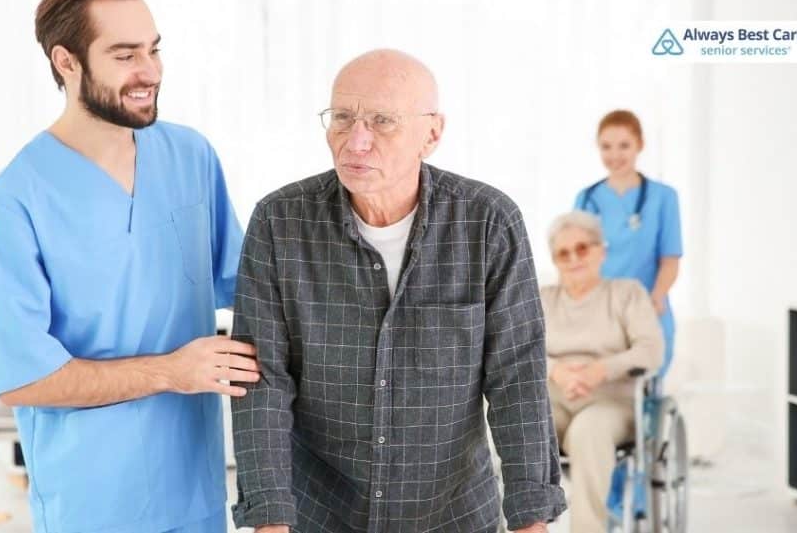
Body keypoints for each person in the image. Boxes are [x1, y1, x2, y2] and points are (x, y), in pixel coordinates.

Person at [231, 49, 566, 533]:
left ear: (431, 134)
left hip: (453, 514)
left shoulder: (489, 221)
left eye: (382, 121)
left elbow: (517, 378)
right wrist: (268, 519)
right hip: (319, 511)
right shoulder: (278, 221)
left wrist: (532, 518)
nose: (356, 141)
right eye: (342, 118)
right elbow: (264, 382)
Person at [0, 0, 257, 532]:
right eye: (125, 54)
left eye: (153, 50)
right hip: (94, 502)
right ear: (66, 62)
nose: (149, 71)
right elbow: (24, 379)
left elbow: (249, 287)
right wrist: (173, 372)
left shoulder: (190, 157)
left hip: (197, 493)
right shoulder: (13, 203)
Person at [541, 211, 664, 533]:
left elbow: (651, 350)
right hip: (552, 399)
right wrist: (558, 372)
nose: (573, 259)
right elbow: (516, 349)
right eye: (563, 253)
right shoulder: (541, 298)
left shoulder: (627, 293)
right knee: (517, 424)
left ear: (601, 250)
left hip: (610, 403)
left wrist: (601, 370)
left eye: (582, 248)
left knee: (588, 431)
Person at [574, 110, 682, 375]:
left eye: (624, 145)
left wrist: (654, 299)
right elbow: (576, 262)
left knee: (645, 394)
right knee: (605, 394)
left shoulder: (663, 197)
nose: (615, 155)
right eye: (606, 147)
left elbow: (670, 260)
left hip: (649, 308)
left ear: (640, 145)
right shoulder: (587, 198)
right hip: (602, 314)